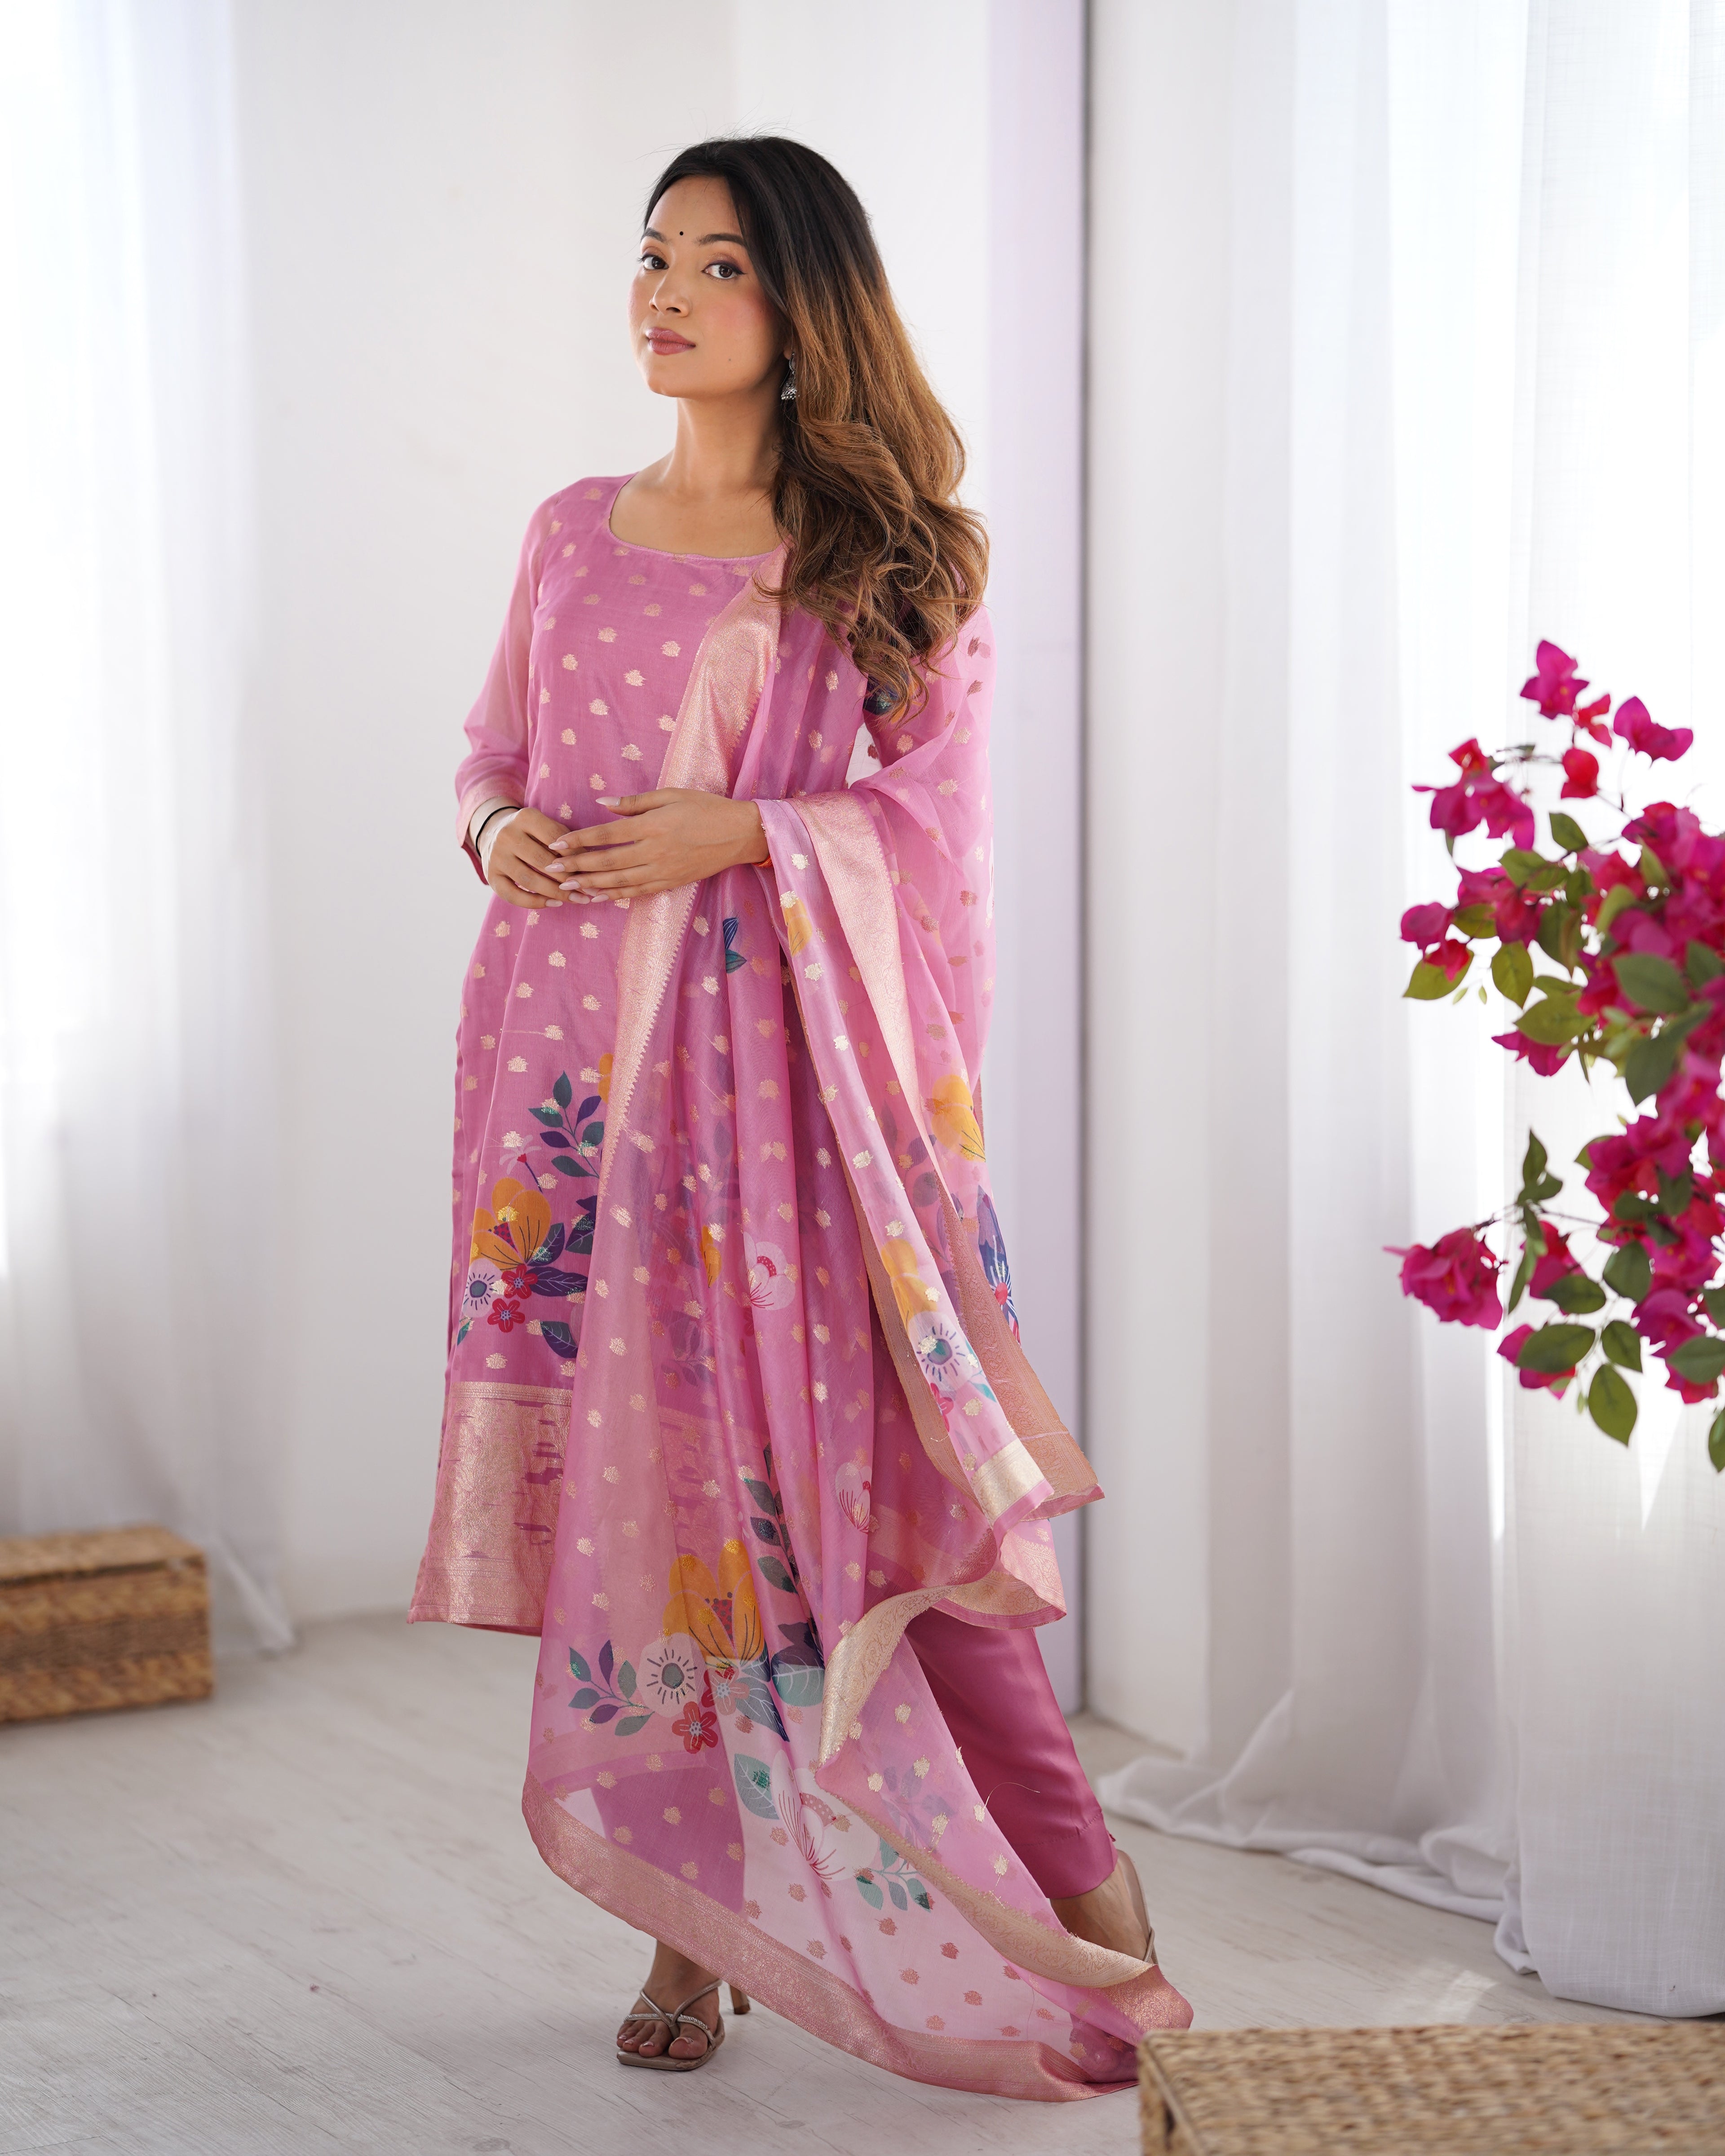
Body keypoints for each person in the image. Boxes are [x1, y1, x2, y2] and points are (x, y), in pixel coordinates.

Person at [411, 135, 1190, 2099]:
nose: (665, 290)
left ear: (803, 303)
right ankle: (699, 1924)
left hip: (804, 1132)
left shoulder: (892, 561)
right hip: (582, 1103)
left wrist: (747, 829)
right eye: (652, 253)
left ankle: (1104, 1931)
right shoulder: (569, 529)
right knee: (661, 1523)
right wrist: (499, 828)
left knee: (880, 1518)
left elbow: (935, 842)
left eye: (720, 261)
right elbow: (490, 756)